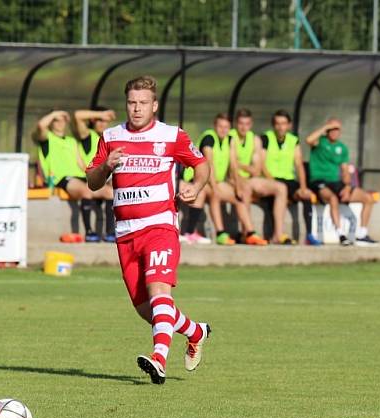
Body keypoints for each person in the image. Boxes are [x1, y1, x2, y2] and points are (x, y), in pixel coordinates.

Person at [86, 75, 211, 385]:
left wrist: (195, 186)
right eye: (131, 103)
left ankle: (158, 360)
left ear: (154, 105)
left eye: (143, 103)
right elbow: (92, 181)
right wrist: (106, 166)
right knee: (148, 311)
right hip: (126, 234)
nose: (136, 108)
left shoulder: (172, 136)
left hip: (160, 226)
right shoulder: (111, 136)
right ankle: (196, 332)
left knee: (159, 293)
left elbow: (202, 164)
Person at [183, 113, 267, 246]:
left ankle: (250, 233)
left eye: (226, 127)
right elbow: (208, 164)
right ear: (215, 126)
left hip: (215, 181)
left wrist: (238, 186)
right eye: (220, 126)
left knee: (238, 197)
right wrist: (215, 188)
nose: (223, 130)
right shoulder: (209, 138)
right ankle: (220, 234)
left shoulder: (229, 140)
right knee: (215, 195)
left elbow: (233, 165)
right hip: (196, 179)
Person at [34, 109, 112, 241]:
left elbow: (81, 163)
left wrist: (95, 176)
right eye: (56, 120)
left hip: (79, 177)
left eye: (63, 120)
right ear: (51, 122)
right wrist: (54, 114)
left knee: (110, 192)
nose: (60, 123)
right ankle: (89, 232)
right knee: (85, 191)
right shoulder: (47, 139)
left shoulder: (71, 141)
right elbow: (41, 126)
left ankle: (110, 233)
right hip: (62, 178)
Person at [306, 118, 377, 245]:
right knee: (333, 198)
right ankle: (341, 235)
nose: (334, 131)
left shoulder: (342, 148)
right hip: (319, 181)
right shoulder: (320, 142)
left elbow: (345, 170)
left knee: (368, 198)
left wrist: (348, 187)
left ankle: (362, 234)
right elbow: (308, 140)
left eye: (337, 129)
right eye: (331, 128)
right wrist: (324, 127)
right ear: (327, 129)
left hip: (336, 182)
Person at [228, 109, 294, 245]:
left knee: (281, 188)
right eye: (240, 123)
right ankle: (247, 233)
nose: (243, 127)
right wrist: (243, 168)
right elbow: (231, 167)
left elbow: (256, 170)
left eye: (246, 124)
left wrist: (239, 164)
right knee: (244, 188)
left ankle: (278, 234)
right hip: (234, 179)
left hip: (250, 179)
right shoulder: (231, 137)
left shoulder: (255, 139)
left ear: (251, 124)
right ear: (235, 124)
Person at [260, 110, 312, 242]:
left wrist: (303, 186)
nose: (281, 127)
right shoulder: (266, 138)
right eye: (277, 124)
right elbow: (262, 163)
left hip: (289, 180)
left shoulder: (293, 140)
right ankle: (276, 235)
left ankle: (309, 235)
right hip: (271, 179)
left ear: (289, 125)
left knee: (306, 195)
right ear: (273, 125)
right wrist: (271, 181)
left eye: (283, 123)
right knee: (275, 195)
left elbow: (299, 165)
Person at [74, 106, 117, 242]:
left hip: (102, 181)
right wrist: (103, 114)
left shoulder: (109, 139)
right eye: (99, 120)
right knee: (107, 192)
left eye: (105, 120)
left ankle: (110, 233)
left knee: (114, 191)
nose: (102, 123)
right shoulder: (88, 136)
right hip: (86, 180)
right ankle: (89, 232)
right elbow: (77, 115)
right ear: (93, 121)